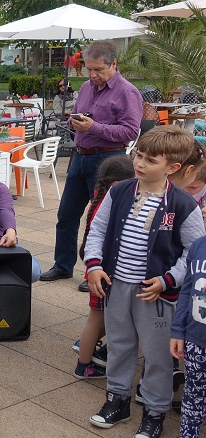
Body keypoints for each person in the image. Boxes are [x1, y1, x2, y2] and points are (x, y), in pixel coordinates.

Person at [85, 126, 206, 437]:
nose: (139, 163)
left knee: (157, 356)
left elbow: (195, 253)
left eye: (151, 160)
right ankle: (117, 400)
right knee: (119, 346)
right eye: (138, 155)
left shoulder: (183, 204)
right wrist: (94, 265)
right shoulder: (119, 192)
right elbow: (98, 230)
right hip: (116, 286)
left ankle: (154, 412)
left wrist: (168, 280)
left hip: (156, 296)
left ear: (173, 167)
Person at [39, 40, 143, 285]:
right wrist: (75, 121)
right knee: (66, 215)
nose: (93, 75)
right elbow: (79, 114)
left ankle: (97, 271)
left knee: (101, 219)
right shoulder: (86, 87)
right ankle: (63, 265)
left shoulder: (127, 92)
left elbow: (130, 132)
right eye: (89, 69)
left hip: (108, 159)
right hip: (80, 157)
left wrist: (94, 126)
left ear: (113, 64)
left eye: (98, 69)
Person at [72, 154, 134, 379]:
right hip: (103, 273)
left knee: (102, 317)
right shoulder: (113, 204)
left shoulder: (101, 197)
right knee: (97, 318)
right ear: (117, 184)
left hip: (98, 270)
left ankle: (86, 347)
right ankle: (84, 365)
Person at [0, 163, 40, 282]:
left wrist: (10, 230)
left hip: (1, 242)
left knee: (33, 271)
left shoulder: (0, 189)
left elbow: (5, 210)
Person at [171, 234, 206, 438]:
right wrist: (178, 329)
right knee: (193, 395)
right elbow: (186, 291)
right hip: (195, 341)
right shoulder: (198, 245)